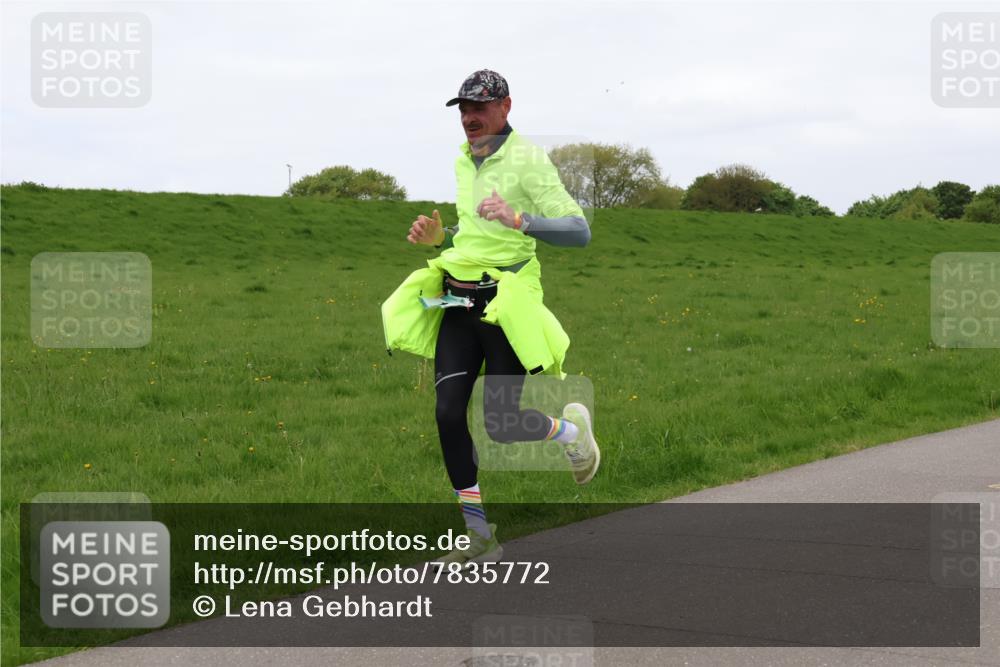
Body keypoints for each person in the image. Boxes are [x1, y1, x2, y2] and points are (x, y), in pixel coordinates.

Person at [380, 69, 600, 569]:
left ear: (505, 107)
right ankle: (479, 536)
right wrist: (441, 239)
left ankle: (572, 433)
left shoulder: (528, 160)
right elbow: (477, 234)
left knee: (502, 425)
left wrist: (522, 220)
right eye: (463, 109)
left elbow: (578, 232)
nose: (469, 117)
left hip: (505, 305)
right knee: (447, 414)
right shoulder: (464, 159)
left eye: (479, 107)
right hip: (458, 302)